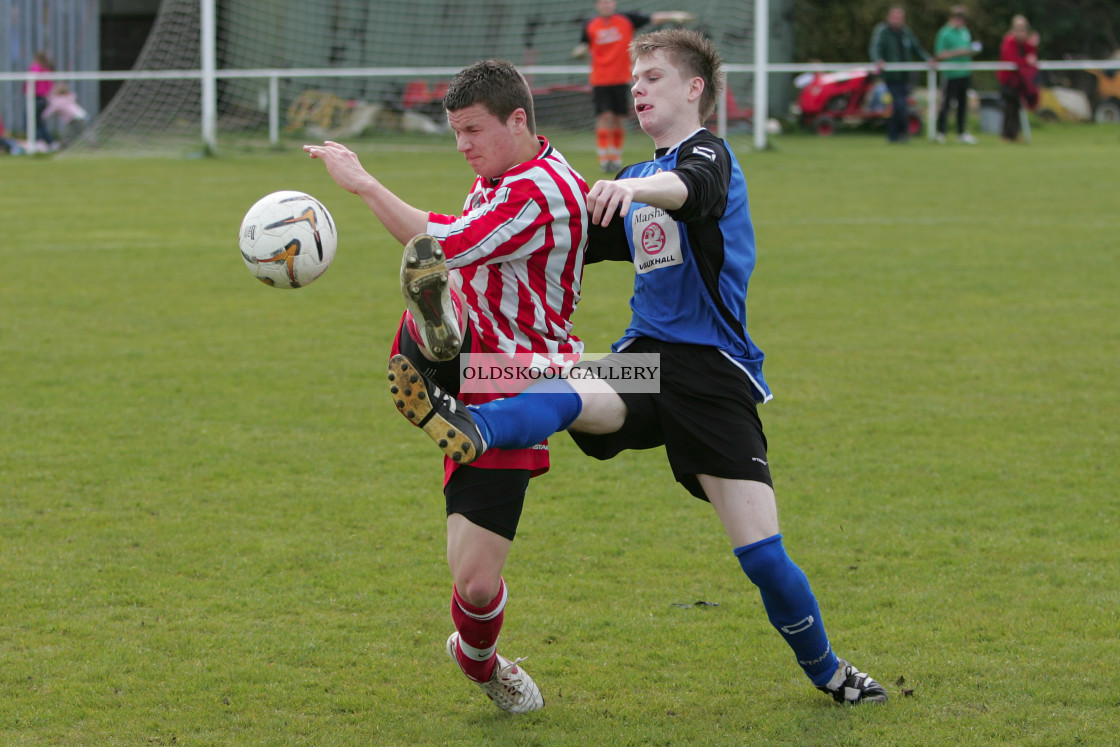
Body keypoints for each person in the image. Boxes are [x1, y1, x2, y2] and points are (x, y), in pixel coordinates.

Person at [388, 29, 889, 706]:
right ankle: (474, 422)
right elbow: (559, 240)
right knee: (567, 387)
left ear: (694, 89)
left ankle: (830, 670)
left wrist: (642, 191)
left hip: (714, 378)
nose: (638, 89)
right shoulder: (626, 181)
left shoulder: (704, 157)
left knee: (764, 555)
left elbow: (697, 188)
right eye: (634, 80)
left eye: (653, 76)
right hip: (646, 364)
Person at [305, 58, 590, 714]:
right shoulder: (499, 174)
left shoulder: (538, 188)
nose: (462, 145)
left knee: (476, 583)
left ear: (518, 120)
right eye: (455, 132)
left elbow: (445, 240)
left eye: (472, 130)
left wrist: (363, 183)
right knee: (438, 298)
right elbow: (449, 240)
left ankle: (480, 659)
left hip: (519, 380)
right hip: (474, 363)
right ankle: (437, 334)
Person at [572, 0, 693, 173]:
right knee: (605, 116)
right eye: (602, 2)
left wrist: (674, 15)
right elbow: (585, 44)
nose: (606, 5)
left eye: (609, 1)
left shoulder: (626, 19)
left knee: (619, 118)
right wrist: (581, 50)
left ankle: (615, 156)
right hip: (600, 79)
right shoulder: (590, 24)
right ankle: (604, 158)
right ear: (597, 5)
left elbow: (653, 18)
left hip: (621, 79)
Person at [869, 6, 935, 143]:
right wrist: (878, 60)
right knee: (899, 105)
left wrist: (928, 59)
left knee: (901, 106)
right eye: (895, 17)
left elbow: (917, 48)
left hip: (905, 76)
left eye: (899, 17)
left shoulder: (906, 32)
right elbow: (875, 48)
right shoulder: (882, 32)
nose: (897, 20)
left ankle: (895, 136)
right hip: (891, 77)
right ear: (889, 17)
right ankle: (902, 133)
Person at [934, 6, 979, 144]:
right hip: (950, 74)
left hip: (964, 72)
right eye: (957, 18)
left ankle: (961, 132)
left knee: (963, 105)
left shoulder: (965, 32)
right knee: (946, 104)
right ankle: (940, 132)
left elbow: (967, 49)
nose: (959, 21)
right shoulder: (945, 33)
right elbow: (939, 54)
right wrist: (957, 52)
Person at [997, 15, 1040, 143]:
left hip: (1019, 81)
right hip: (1008, 80)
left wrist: (1033, 45)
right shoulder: (1009, 41)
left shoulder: (1025, 43)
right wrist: (1026, 60)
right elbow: (1011, 59)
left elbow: (1031, 55)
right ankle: (1006, 135)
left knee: (1016, 107)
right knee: (1009, 108)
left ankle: (1014, 134)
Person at [26, 51, 57, 150]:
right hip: (44, 98)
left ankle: (39, 142)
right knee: (39, 121)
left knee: (32, 120)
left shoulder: (36, 68)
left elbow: (30, 81)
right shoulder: (48, 70)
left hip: (37, 97)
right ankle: (50, 142)